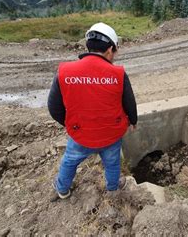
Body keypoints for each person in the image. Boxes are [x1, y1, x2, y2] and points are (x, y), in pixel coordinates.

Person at [47, 22, 137, 199]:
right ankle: (112, 189)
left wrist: (71, 123)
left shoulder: (65, 71)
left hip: (80, 134)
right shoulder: (118, 73)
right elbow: (129, 102)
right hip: (111, 134)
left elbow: (54, 107)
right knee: (112, 163)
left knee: (70, 161)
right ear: (110, 49)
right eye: (115, 51)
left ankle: (62, 189)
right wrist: (132, 121)